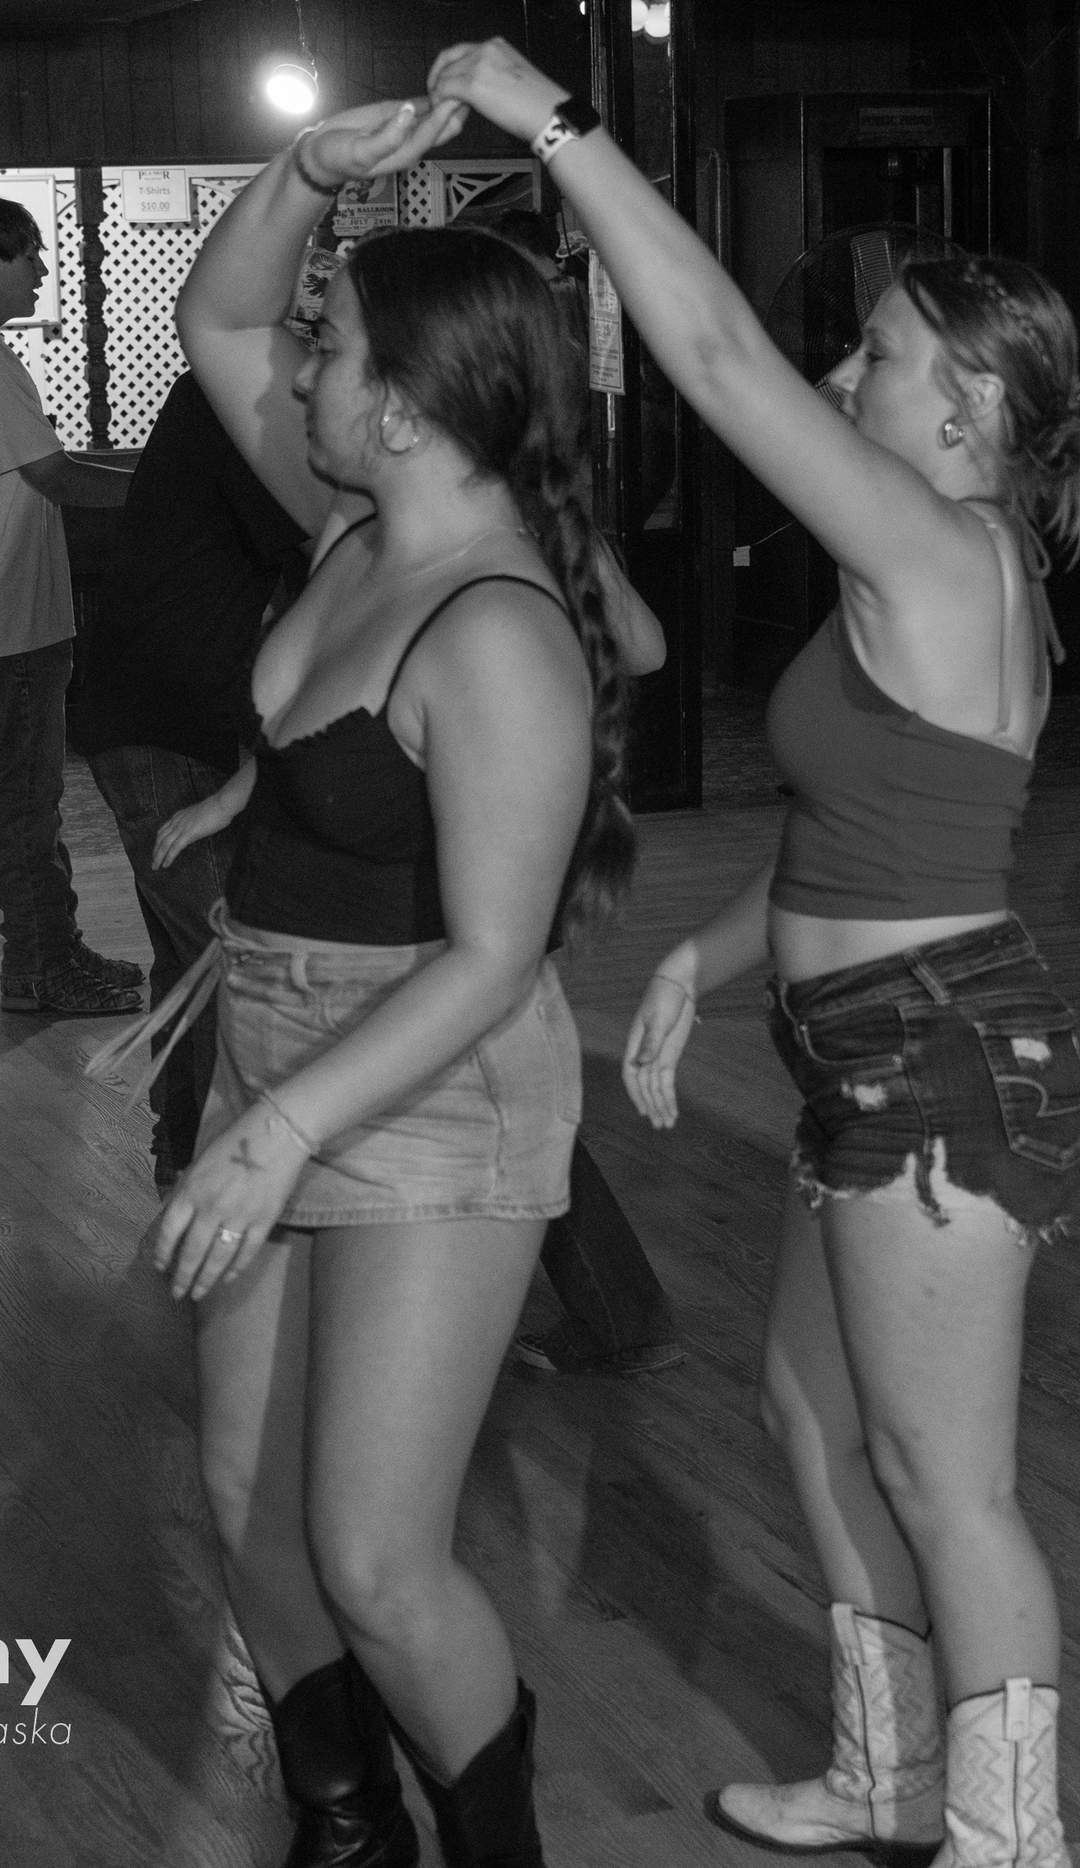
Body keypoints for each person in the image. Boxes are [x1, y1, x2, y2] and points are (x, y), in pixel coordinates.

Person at [429, 36, 1080, 1868]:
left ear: (969, 406)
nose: (837, 375)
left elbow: (718, 355)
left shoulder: (944, 549)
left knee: (948, 1482)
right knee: (812, 1417)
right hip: (870, 1041)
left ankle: (1011, 1840)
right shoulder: (928, 567)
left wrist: (554, 124)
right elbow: (866, 840)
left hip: (942, 1059)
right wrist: (699, 959)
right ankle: (888, 1776)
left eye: (874, 354)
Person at [150, 95, 638, 1868]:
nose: (300, 368)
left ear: (412, 405)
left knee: (372, 1551)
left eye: (334, 346)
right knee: (244, 1498)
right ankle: (348, 1827)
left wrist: (279, 1126)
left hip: (429, 1076)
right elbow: (217, 316)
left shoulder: (493, 624)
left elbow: (498, 954)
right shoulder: (358, 531)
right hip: (277, 1034)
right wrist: (305, 173)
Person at [480, 206, 687, 1381]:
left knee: (504, 1070)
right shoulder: (539, 495)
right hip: (539, 820)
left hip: (507, 827)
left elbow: (642, 645)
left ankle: (611, 1307)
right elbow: (644, 644)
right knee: (503, 1066)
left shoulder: (497, 504)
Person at [71, 370, 309, 1188]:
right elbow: (324, 550)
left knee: (188, 959)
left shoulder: (205, 404)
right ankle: (221, 1178)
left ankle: (183, 1163)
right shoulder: (230, 412)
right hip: (162, 725)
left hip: (147, 718)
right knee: (231, 960)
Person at [0, 194, 143, 1017]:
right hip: (1, 612)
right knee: (29, 803)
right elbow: (55, 475)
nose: (43, 269)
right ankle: (39, 966)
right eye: (30, 254)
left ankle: (53, 948)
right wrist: (168, 489)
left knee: (31, 799)